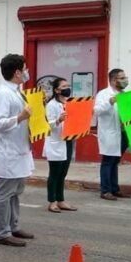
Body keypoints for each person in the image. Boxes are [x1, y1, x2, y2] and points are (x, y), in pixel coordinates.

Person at [0, 54, 35, 247]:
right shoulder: (3, 94)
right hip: (8, 153)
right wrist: (20, 117)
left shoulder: (18, 91)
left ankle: (13, 226)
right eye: (25, 69)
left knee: (16, 192)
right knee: (4, 193)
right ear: (17, 72)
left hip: (20, 151)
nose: (27, 72)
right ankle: (2, 233)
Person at [94, 68, 131, 201]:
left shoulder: (125, 94)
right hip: (109, 133)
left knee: (115, 162)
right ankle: (106, 190)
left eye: (125, 77)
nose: (126, 80)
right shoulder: (104, 94)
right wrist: (110, 102)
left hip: (123, 133)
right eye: (123, 78)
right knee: (108, 162)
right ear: (114, 80)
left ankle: (115, 189)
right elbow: (96, 111)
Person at [44, 78, 77, 213]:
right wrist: (59, 120)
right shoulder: (52, 105)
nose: (67, 88)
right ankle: (52, 202)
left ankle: (61, 200)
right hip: (56, 142)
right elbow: (49, 124)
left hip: (68, 141)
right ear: (57, 90)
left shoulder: (71, 102)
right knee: (54, 174)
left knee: (63, 173)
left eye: (68, 85)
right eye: (64, 86)